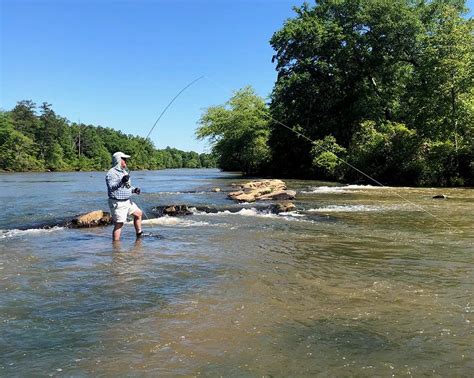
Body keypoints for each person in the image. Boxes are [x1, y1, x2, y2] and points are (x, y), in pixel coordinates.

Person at [106, 151, 143, 241]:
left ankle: (139, 234)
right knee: (119, 224)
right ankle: (116, 246)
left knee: (138, 214)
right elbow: (111, 187)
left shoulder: (125, 172)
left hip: (127, 201)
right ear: (118, 160)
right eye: (124, 159)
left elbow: (127, 187)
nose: (126, 161)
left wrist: (134, 190)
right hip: (117, 203)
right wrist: (121, 181)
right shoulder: (111, 173)